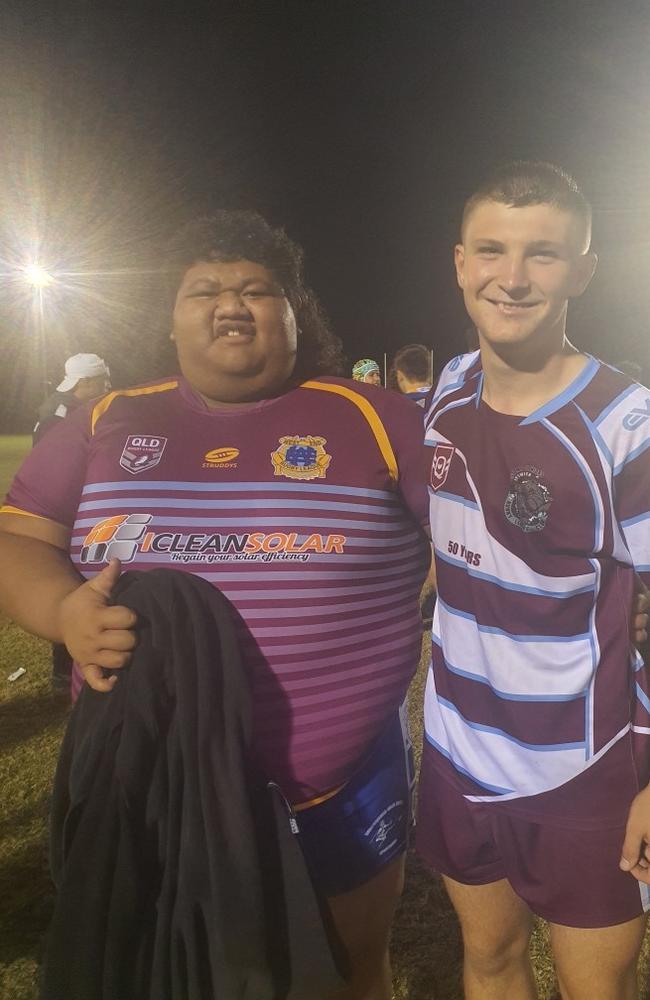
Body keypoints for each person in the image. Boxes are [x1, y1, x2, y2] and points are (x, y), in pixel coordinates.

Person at [0, 210, 431, 1000]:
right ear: (171, 320)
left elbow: (484, 547)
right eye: (204, 289)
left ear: (297, 313)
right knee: (169, 969)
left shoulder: (377, 417)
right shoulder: (105, 419)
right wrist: (65, 614)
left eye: (258, 290)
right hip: (154, 775)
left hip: (338, 782)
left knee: (346, 972)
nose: (231, 304)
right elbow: (19, 540)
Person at [416, 161, 650, 1000]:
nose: (512, 277)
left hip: (583, 769)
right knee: (487, 960)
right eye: (491, 250)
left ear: (583, 270)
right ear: (459, 263)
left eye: (543, 254)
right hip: (455, 746)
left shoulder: (628, 423)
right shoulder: (447, 389)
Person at [33, 353, 111, 445]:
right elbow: (49, 454)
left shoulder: (73, 406)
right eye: (103, 379)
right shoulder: (60, 413)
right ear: (86, 381)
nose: (109, 385)